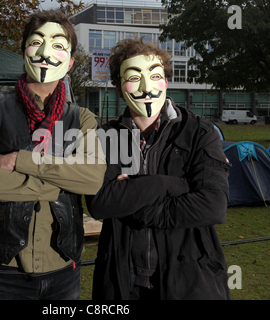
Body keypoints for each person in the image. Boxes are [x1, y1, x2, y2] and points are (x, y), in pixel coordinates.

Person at [0, 10, 106, 300]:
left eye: (58, 45)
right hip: (4, 266)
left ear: (70, 61)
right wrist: (59, 182)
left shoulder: (84, 118)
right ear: (24, 51)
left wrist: (20, 160)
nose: (45, 53)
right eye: (36, 41)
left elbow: (91, 180)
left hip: (63, 264)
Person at [86, 38, 231, 300]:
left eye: (155, 76)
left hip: (189, 284)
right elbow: (100, 203)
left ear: (166, 80)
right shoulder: (104, 137)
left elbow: (213, 205)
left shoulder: (199, 133)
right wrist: (170, 184)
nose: (146, 87)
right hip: (121, 283)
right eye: (133, 77)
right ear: (119, 88)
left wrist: (136, 205)